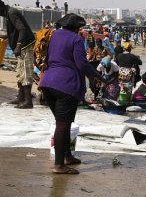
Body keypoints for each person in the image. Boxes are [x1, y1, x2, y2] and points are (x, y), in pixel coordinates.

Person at [39, 13, 106, 174]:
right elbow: (82, 64)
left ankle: (67, 156)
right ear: (77, 28)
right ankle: (59, 165)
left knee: (64, 122)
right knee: (62, 125)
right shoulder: (75, 39)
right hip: (65, 85)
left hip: (47, 82)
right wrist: (99, 77)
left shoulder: (54, 35)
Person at [0, 0, 36, 109]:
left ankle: (28, 102)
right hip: (21, 47)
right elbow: (15, 31)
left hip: (24, 46)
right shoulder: (9, 13)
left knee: (25, 73)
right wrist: (6, 37)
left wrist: (18, 45)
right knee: (20, 73)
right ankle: (21, 98)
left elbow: (22, 29)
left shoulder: (11, 13)